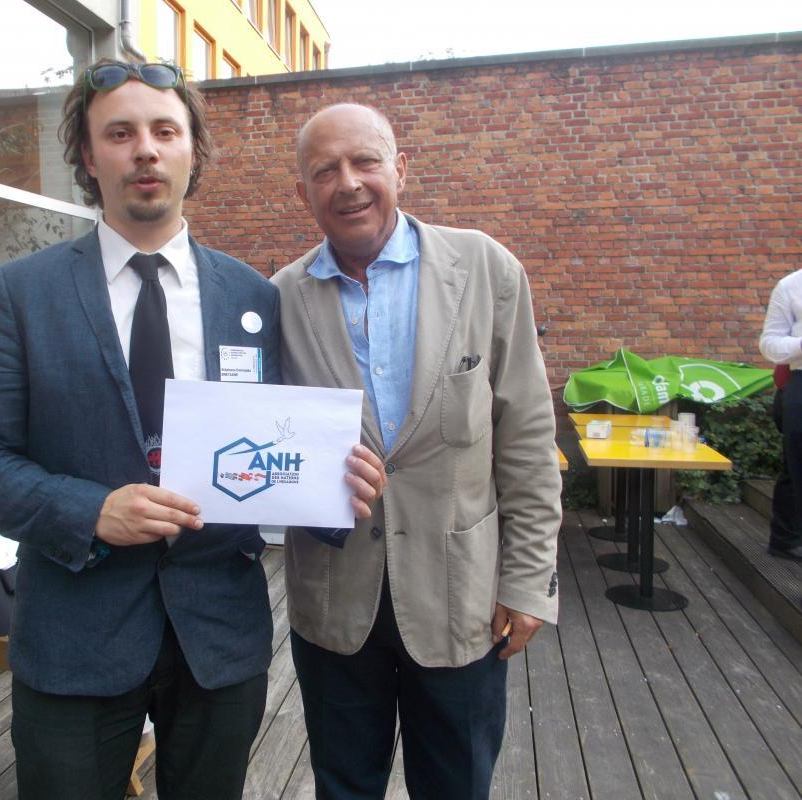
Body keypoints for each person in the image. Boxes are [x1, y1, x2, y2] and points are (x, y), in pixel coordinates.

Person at [0, 61, 382, 800]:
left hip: (217, 638)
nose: (144, 149)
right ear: (88, 157)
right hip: (73, 636)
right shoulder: (23, 294)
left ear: (191, 151)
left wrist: (334, 487)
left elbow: (278, 445)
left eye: (164, 131)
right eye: (119, 134)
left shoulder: (252, 297)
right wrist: (91, 510)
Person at [272, 104, 562, 800]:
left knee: (456, 785)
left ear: (400, 169)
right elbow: (263, 446)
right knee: (344, 786)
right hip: (334, 600)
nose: (348, 183)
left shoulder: (484, 269)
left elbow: (526, 437)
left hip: (461, 598)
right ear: (304, 192)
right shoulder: (279, 299)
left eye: (365, 161)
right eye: (325, 171)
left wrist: (528, 582)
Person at [759, 268, 802, 561]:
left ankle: (785, 539)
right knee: (797, 467)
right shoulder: (790, 286)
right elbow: (769, 344)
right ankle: (785, 539)